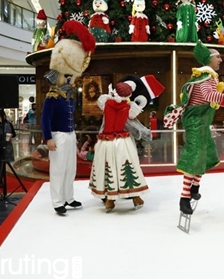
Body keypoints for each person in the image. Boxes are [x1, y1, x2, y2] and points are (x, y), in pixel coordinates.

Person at [169, 41, 224, 215]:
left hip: (202, 123)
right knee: (195, 156)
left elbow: (216, 96)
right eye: (217, 56)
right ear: (209, 59)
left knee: (205, 153)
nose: (221, 59)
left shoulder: (208, 77)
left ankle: (194, 188)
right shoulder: (205, 77)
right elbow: (209, 96)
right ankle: (184, 198)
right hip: (196, 123)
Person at [41, 20, 96, 215]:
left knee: (70, 169)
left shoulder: (68, 95)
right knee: (57, 170)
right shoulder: (52, 97)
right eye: (68, 77)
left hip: (70, 135)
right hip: (57, 136)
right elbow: (44, 120)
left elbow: (70, 85)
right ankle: (57, 201)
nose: (71, 80)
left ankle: (68, 197)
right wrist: (48, 138)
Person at [90, 74, 165, 212]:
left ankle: (110, 200)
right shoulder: (128, 107)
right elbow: (134, 124)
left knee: (108, 168)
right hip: (122, 142)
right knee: (129, 167)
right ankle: (136, 197)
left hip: (106, 141)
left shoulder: (105, 102)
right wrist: (146, 133)